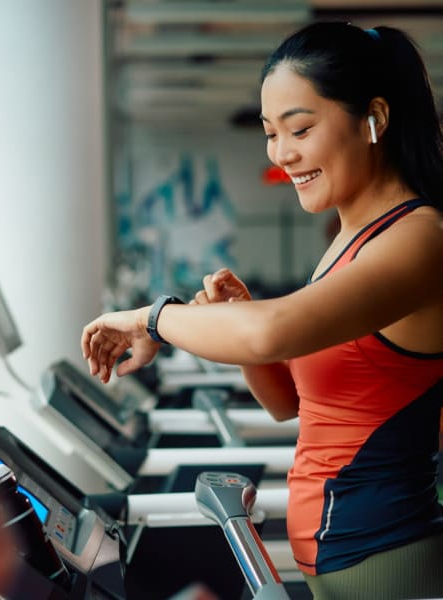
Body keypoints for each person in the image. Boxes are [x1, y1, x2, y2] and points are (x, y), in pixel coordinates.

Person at [81, 21, 443, 599]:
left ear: (373, 117)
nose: (281, 153)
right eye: (270, 133)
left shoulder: (418, 238)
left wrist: (152, 318)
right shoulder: (350, 243)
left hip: (382, 554)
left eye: (299, 128)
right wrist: (239, 317)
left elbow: (270, 333)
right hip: (339, 554)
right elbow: (290, 402)